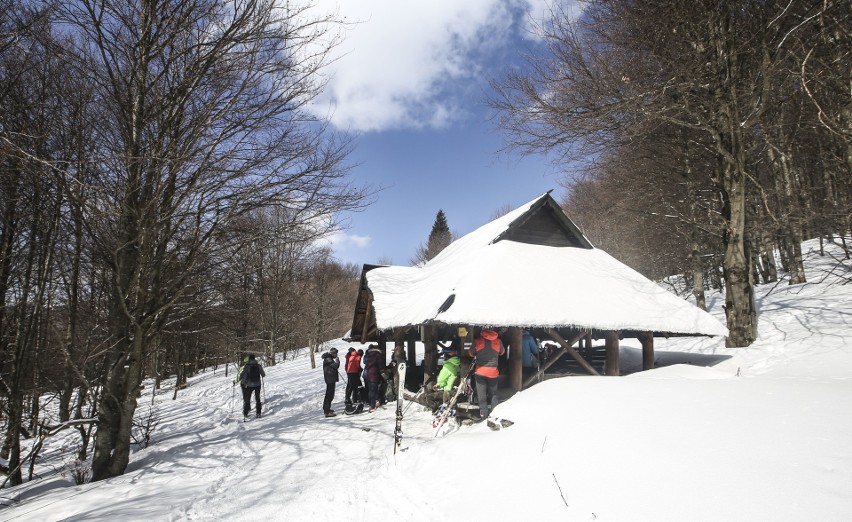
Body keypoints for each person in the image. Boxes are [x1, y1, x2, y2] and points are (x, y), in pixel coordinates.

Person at [468, 329, 505, 420]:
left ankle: (484, 414)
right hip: (493, 372)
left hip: (480, 371)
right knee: (494, 394)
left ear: (483, 334)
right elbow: (502, 352)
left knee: (482, 394)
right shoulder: (498, 341)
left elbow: (471, 354)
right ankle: (494, 414)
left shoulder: (477, 341)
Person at [238, 354, 265, 419]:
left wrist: (241, 380)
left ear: (249, 359)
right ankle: (258, 413)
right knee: (257, 398)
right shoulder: (258, 365)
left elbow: (242, 375)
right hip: (257, 384)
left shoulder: (246, 366)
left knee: (247, 399)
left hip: (249, 385)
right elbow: (263, 375)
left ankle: (245, 413)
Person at [363, 344, 383, 411]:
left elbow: (365, 362)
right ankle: (374, 403)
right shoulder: (377, 355)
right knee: (375, 389)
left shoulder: (368, 355)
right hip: (374, 374)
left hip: (368, 374)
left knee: (370, 390)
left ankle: (371, 404)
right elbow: (380, 365)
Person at [321, 347, 340, 417]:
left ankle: (327, 409)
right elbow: (336, 366)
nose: (337, 355)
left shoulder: (329, 358)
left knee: (330, 395)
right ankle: (326, 411)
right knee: (329, 395)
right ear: (333, 353)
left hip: (330, 378)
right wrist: (337, 361)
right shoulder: (328, 359)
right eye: (336, 353)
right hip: (330, 379)